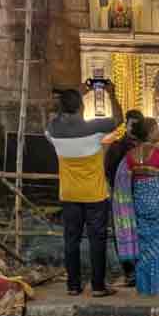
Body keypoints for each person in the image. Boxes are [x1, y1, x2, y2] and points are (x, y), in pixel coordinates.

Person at [47, 83, 123, 297]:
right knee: (96, 240)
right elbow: (119, 119)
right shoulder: (93, 129)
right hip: (94, 194)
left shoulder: (54, 130)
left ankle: (73, 285)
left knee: (71, 239)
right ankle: (98, 286)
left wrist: (76, 93)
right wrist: (111, 93)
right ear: (81, 106)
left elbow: (52, 120)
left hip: (69, 193)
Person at [117, 116, 159, 296]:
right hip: (158, 203)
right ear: (150, 132)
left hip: (139, 203)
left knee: (143, 244)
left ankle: (145, 286)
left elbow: (127, 182)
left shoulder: (129, 156)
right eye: (157, 129)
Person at [104, 108, 142, 286]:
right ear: (126, 125)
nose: (133, 128)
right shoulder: (117, 147)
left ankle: (141, 270)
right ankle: (129, 272)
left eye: (137, 125)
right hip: (122, 198)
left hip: (141, 197)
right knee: (123, 233)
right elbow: (109, 171)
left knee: (140, 233)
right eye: (131, 124)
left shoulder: (144, 149)